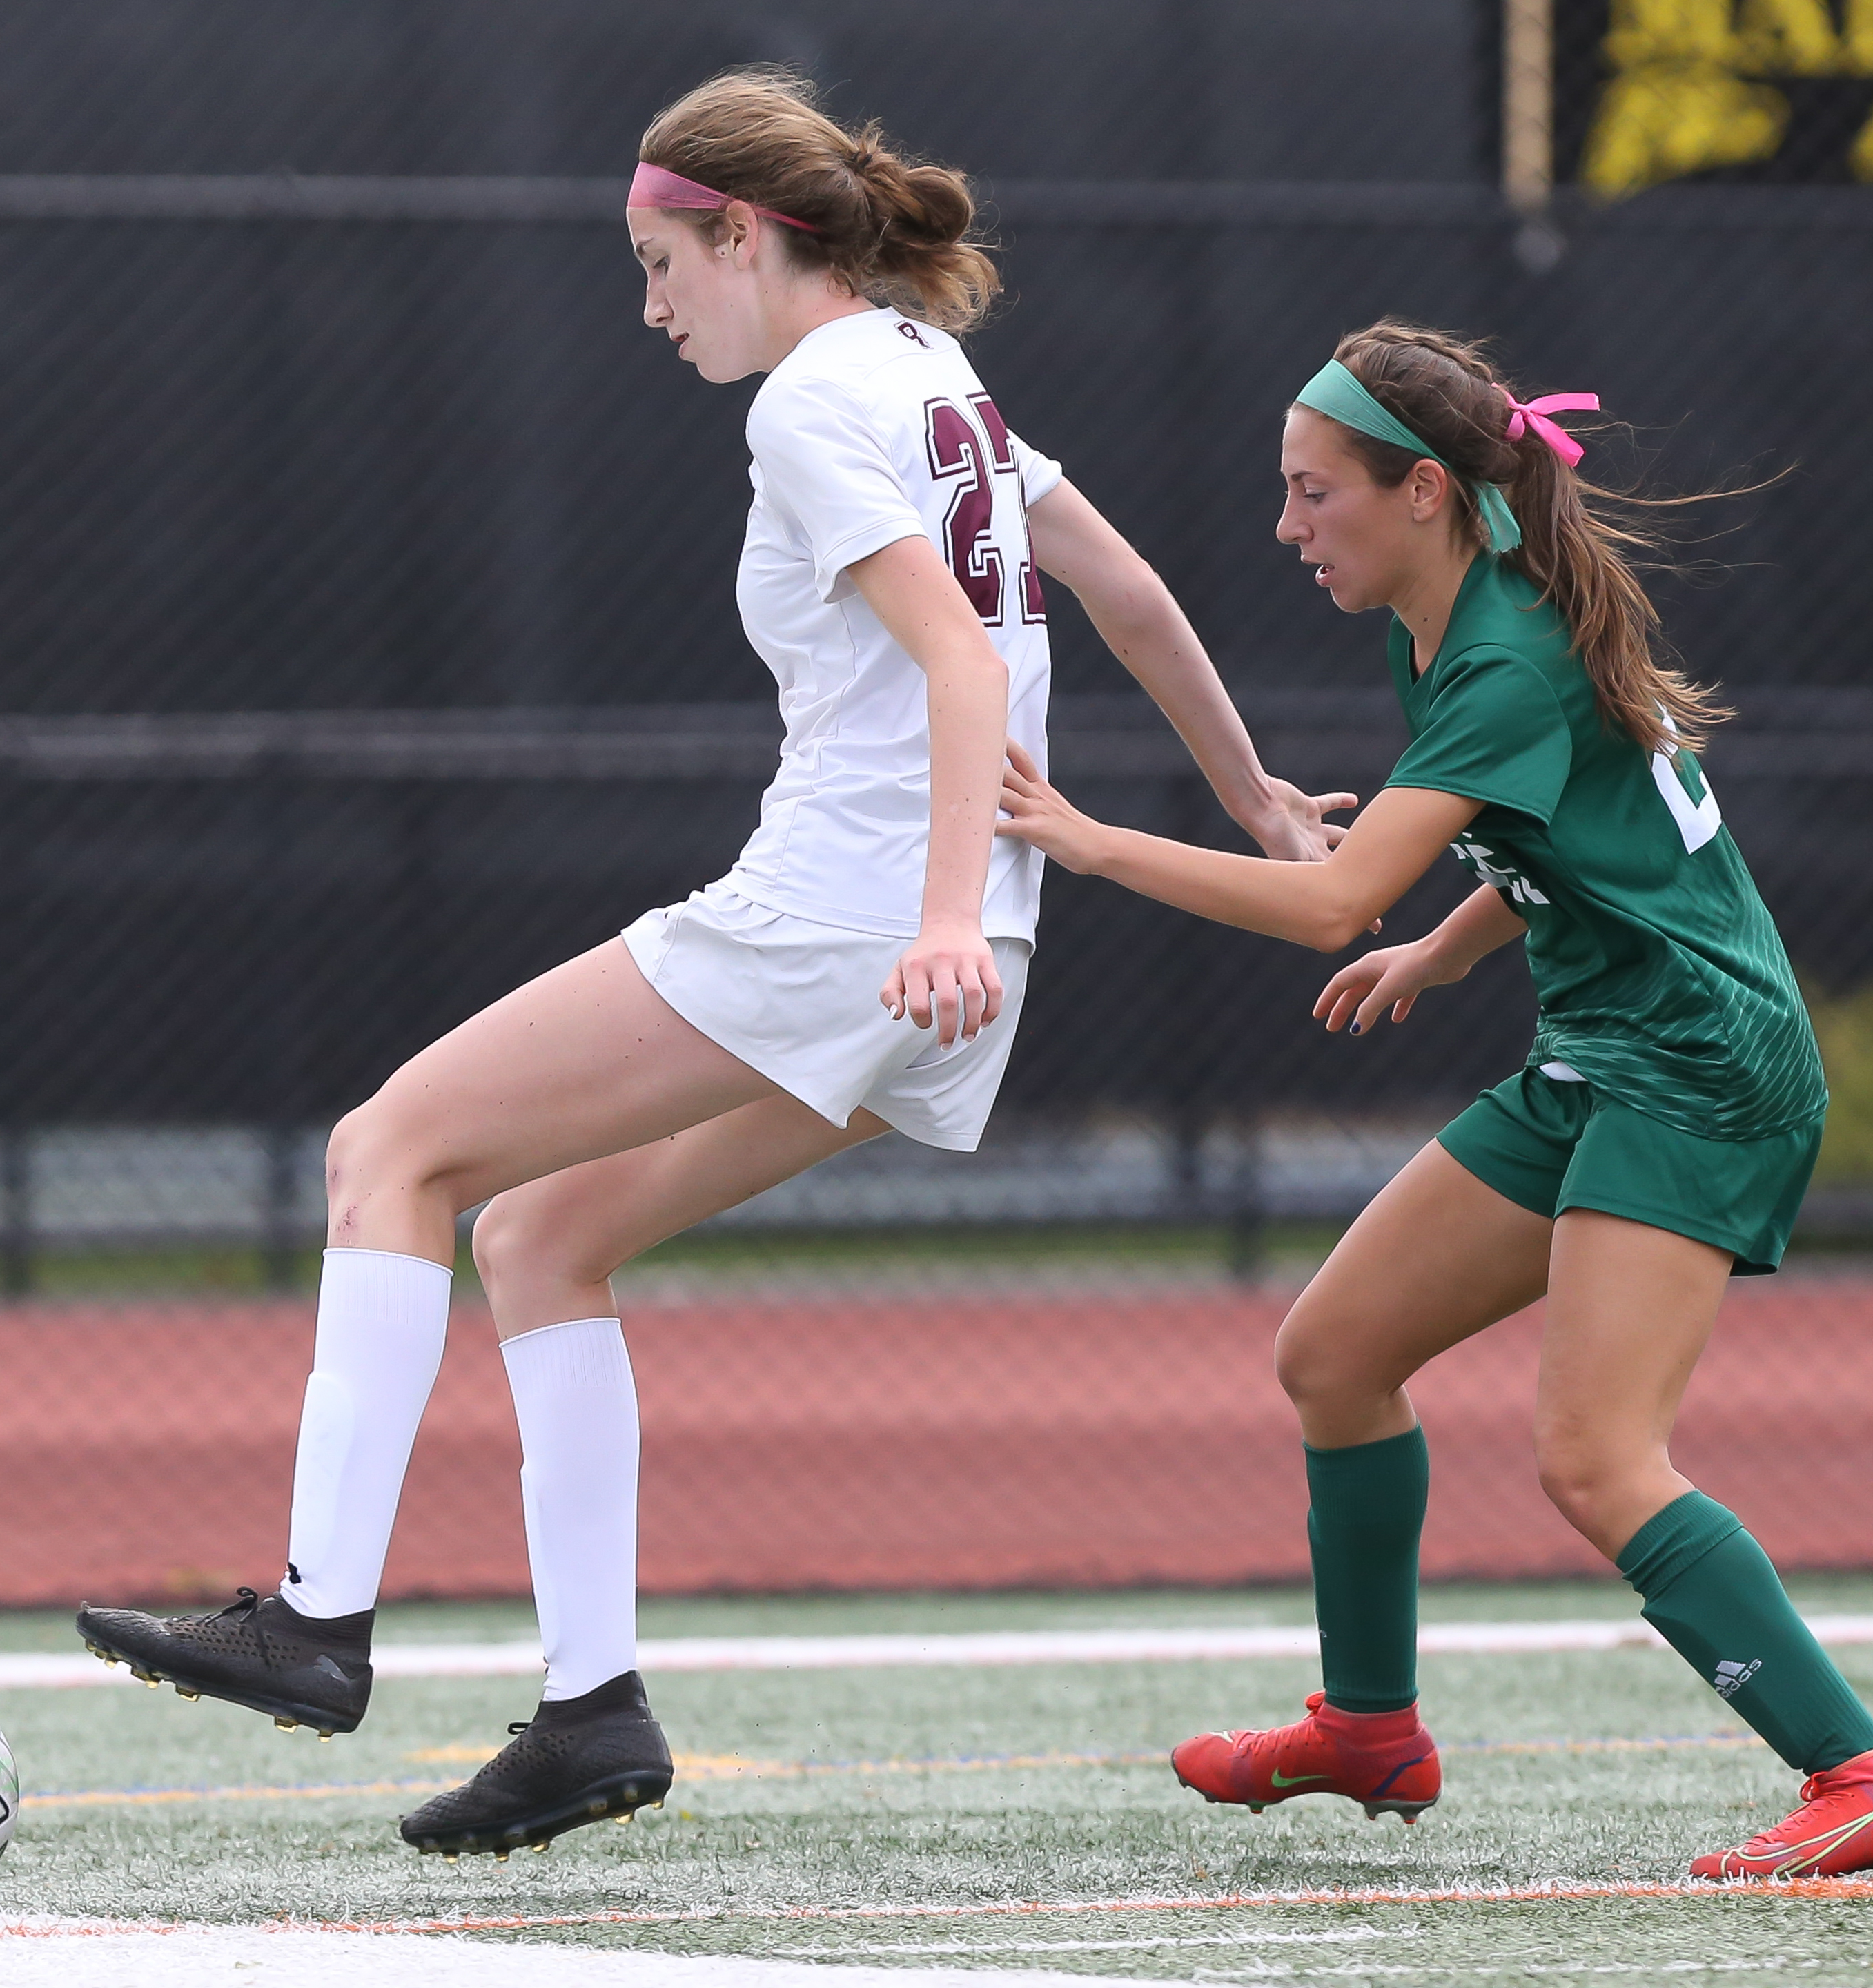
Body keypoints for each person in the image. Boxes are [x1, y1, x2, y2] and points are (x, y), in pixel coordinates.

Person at [72, 68, 1344, 1861]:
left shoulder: (820, 398)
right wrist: (1260, 807)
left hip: (854, 928)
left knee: (389, 1149)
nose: (653, 306)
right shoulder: (930, 372)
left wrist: (924, 914)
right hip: (950, 949)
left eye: (665, 265)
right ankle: (591, 1710)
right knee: (542, 1232)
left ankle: (311, 1619)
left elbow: (969, 674)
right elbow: (1125, 596)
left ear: (749, 238)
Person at [991, 321, 1873, 1881]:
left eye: (1314, 495)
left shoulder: (1499, 646)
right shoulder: (1455, 600)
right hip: (1601, 1052)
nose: (1288, 527)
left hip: (1700, 1071)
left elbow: (1327, 908)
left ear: (1426, 490)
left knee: (1594, 1457)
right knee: (1336, 1355)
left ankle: (1869, 1774)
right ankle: (1370, 1727)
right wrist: (1447, 950)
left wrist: (1088, 840)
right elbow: (1564, 829)